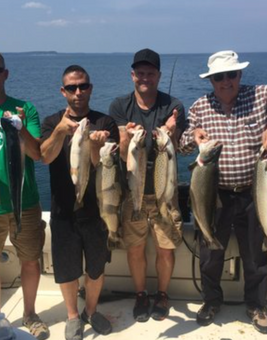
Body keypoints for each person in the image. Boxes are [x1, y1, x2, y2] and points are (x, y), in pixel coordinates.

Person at [179, 50, 267, 334]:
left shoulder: (261, 96)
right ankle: (211, 301)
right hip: (214, 193)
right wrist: (193, 137)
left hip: (253, 191)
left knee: (255, 255)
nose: (225, 81)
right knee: (209, 254)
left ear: (240, 75)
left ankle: (257, 305)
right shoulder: (199, 107)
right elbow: (183, 144)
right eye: (218, 77)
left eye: (230, 75)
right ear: (211, 80)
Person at [40, 65, 119, 340]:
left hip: (97, 211)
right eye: (72, 87)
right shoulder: (52, 122)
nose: (78, 92)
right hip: (63, 211)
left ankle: (91, 311)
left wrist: (96, 146)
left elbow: (105, 167)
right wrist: (60, 131)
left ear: (90, 88)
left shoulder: (105, 123)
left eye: (83, 86)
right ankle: (73, 315)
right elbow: (45, 156)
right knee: (67, 270)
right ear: (63, 92)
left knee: (96, 268)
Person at [109, 48, 186, 322]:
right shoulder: (120, 106)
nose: (145, 78)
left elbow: (177, 151)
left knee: (165, 248)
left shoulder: (174, 106)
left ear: (158, 76)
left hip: (165, 191)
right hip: (134, 191)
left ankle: (162, 294)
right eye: (140, 73)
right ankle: (141, 294)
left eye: (150, 73)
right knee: (135, 248)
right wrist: (128, 138)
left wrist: (173, 131)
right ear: (132, 76)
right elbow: (120, 153)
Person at [0, 48, 49, 339]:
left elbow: (38, 153)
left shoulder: (25, 108)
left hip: (24, 202)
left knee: (30, 259)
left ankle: (30, 313)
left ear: (6, 74)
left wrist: (21, 127)